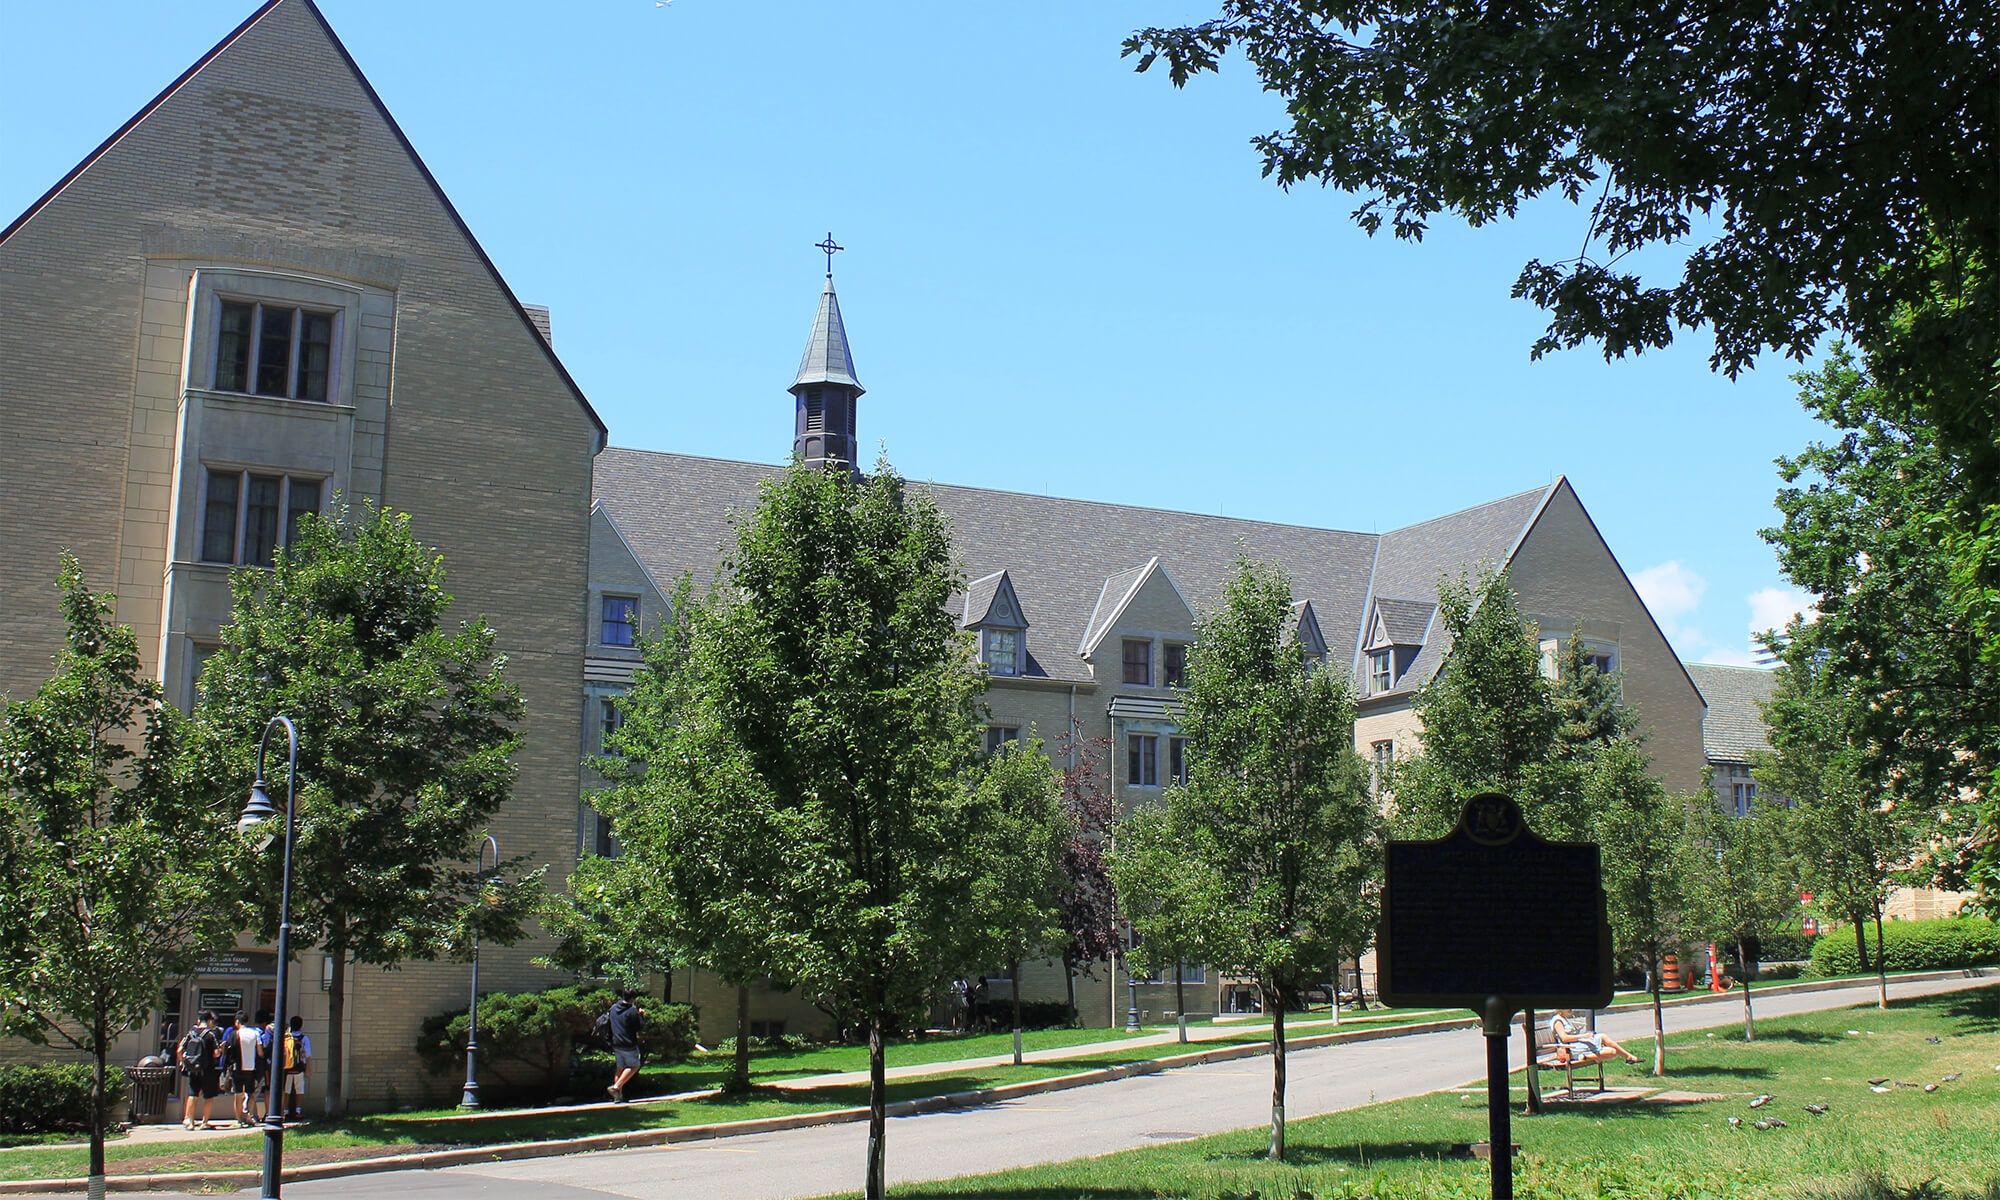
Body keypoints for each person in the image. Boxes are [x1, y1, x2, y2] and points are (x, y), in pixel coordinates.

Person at [177, 1011, 224, 1130]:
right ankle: (205, 1122)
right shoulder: (210, 1035)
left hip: (193, 1069)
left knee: (193, 1094)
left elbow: (179, 1051)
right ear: (209, 1021)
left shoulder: (190, 1034)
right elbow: (216, 1054)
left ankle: (190, 1121)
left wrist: (184, 1062)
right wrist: (221, 1049)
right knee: (208, 1096)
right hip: (208, 1069)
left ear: (199, 1021)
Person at [1551, 1009, 1640, 1065]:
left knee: (1603, 1037)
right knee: (1612, 1052)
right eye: (1568, 1008)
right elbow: (1564, 1038)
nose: (1571, 1009)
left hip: (1578, 1045)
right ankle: (1584, 1056)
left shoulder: (1563, 1018)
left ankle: (1629, 1057)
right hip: (1572, 1049)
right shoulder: (1558, 1021)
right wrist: (1584, 1035)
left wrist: (1578, 1031)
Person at [605, 988, 646, 1103]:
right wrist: (641, 1015)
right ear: (632, 998)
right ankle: (616, 1087)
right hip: (628, 1043)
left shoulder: (613, 1008)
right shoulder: (632, 1011)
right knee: (634, 1066)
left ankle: (618, 1097)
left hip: (616, 1042)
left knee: (620, 1068)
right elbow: (639, 1027)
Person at [228, 1012, 263, 1126]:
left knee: (238, 1094)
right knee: (251, 1093)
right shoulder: (255, 1033)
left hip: (237, 1068)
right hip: (251, 1068)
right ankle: (249, 1116)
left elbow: (230, 1051)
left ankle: (238, 1119)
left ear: (237, 1022)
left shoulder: (234, 1034)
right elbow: (260, 1052)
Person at [279, 1015, 312, 1122]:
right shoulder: (304, 1038)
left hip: (287, 1068)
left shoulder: (286, 1037)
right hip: (299, 1068)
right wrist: (308, 1068)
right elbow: (308, 1055)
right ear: (301, 1025)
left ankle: (285, 1112)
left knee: (286, 1090)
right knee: (299, 1090)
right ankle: (298, 1111)